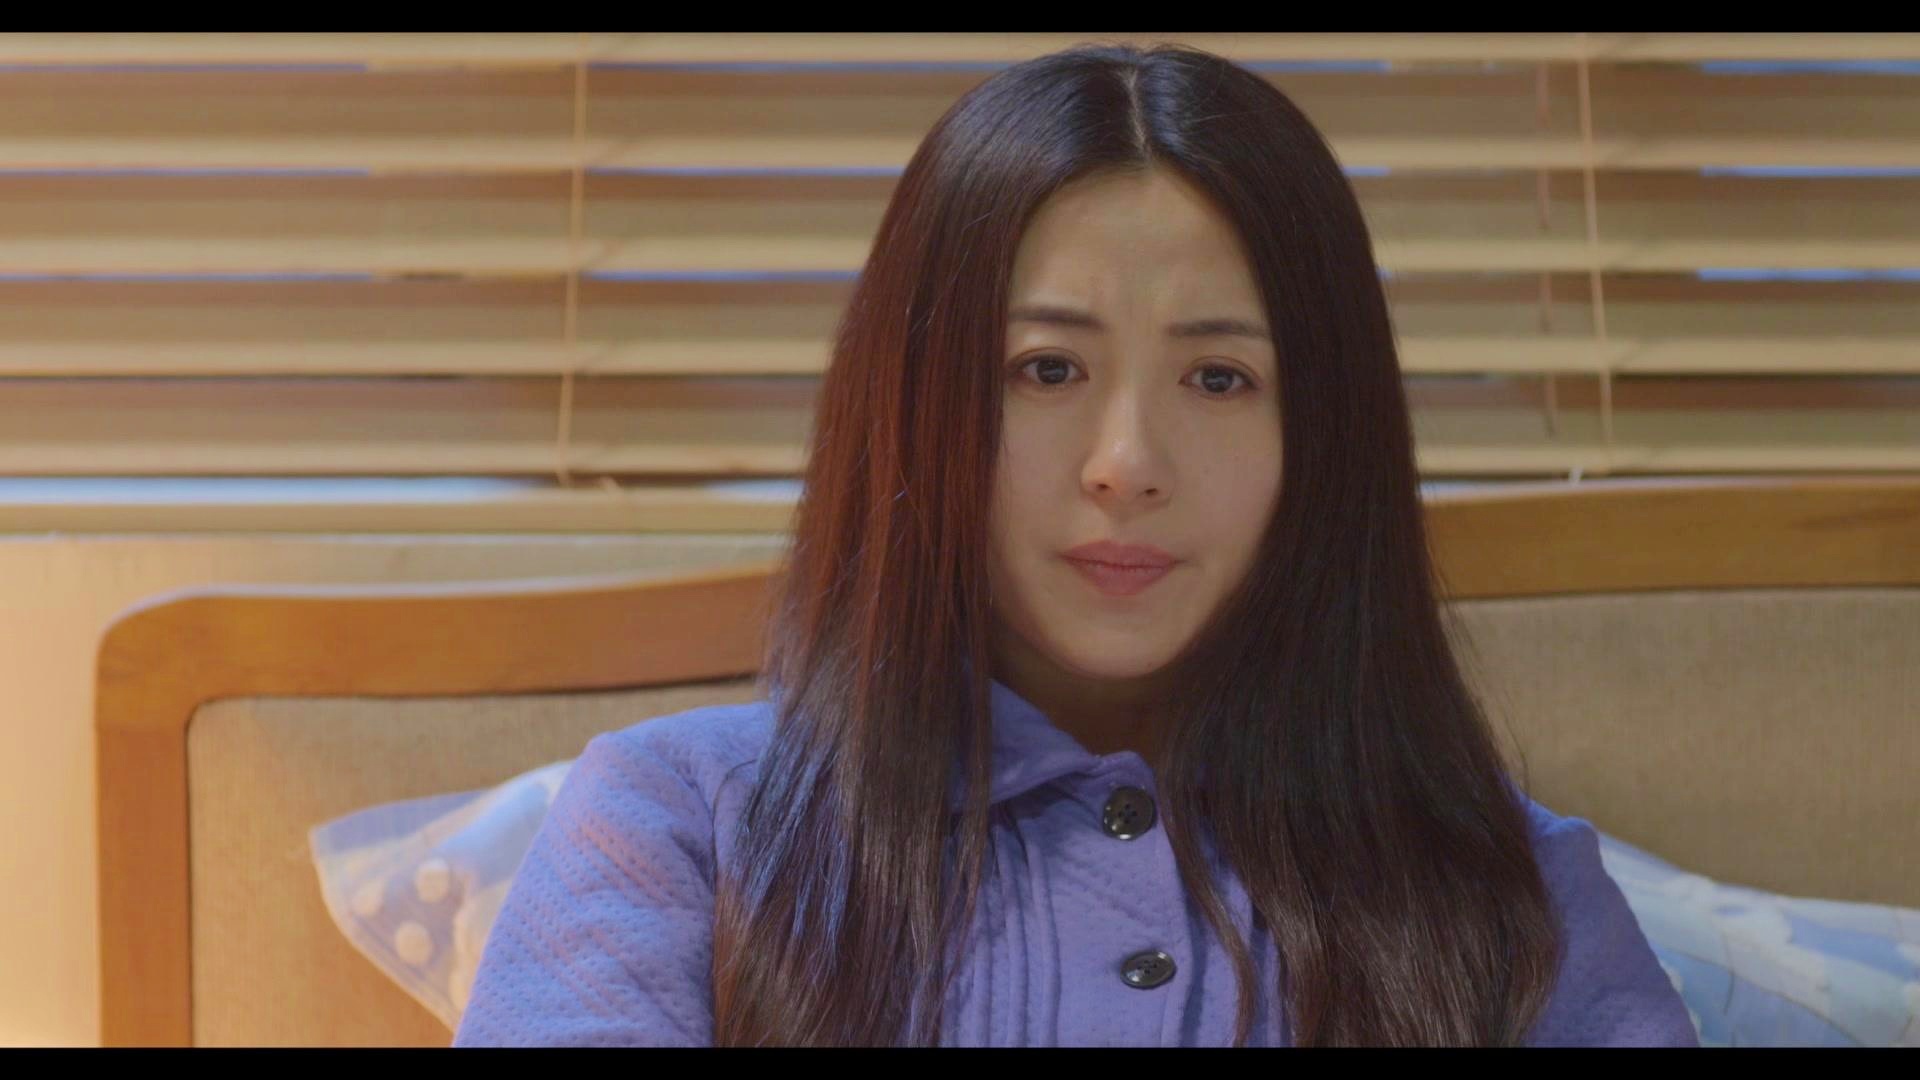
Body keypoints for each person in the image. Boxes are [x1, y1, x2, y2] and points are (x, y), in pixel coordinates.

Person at [453, 42, 1698, 1047]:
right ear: (917, 404)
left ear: (1324, 438)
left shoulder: (1509, 892)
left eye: (1219, 377)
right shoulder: (680, 821)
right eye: (1046, 369)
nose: (1127, 462)